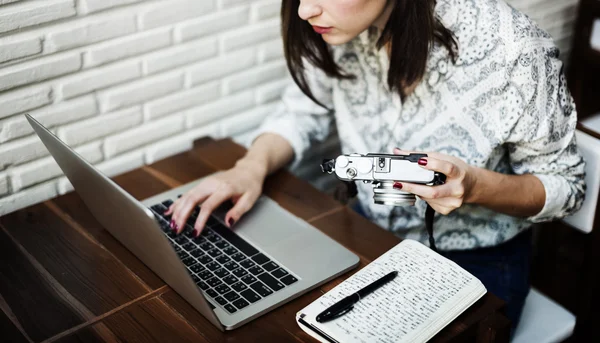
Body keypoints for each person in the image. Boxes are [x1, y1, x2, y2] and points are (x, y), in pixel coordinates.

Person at [166, 0, 586, 332]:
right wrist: (249, 167)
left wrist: (472, 186)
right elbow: (300, 112)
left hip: (477, 262)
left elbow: (566, 186)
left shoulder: (512, 49)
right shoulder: (335, 26)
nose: (303, 10)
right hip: (368, 233)